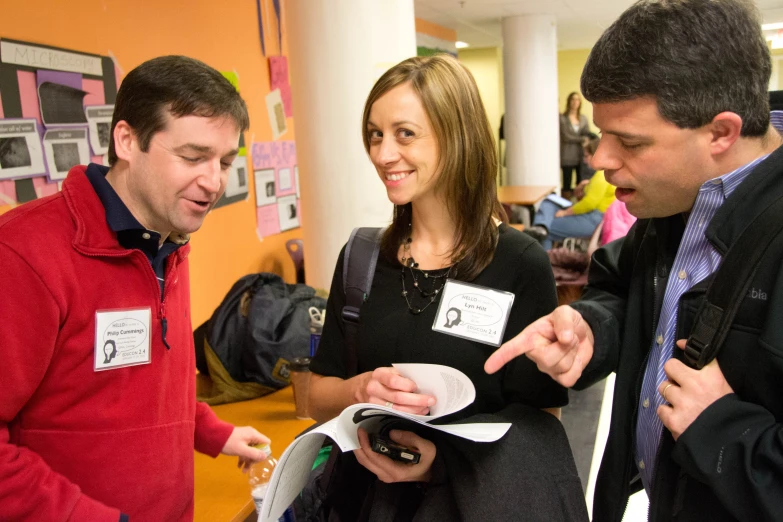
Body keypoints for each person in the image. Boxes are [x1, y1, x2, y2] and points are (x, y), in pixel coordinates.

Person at [485, 0, 783, 520]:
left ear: (721, 132)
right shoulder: (675, 194)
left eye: (629, 141)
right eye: (603, 134)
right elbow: (625, 288)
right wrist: (593, 330)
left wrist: (721, 428)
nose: (600, 160)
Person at [308, 54, 583, 520]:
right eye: (375, 134)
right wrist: (360, 390)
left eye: (405, 134)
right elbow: (317, 393)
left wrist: (443, 466)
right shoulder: (362, 258)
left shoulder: (519, 263)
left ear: (457, 137)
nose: (382, 154)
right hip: (368, 504)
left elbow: (541, 424)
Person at [0, 56, 271, 521]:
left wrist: (209, 431)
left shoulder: (169, 238)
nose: (214, 182)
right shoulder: (22, 254)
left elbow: (140, 383)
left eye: (225, 161)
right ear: (126, 140)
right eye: (192, 157)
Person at [526, 136, 615, 249]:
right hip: (592, 216)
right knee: (549, 201)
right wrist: (581, 187)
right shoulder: (599, 176)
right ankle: (541, 226)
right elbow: (584, 199)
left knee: (548, 230)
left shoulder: (601, 177)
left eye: (587, 156)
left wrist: (565, 213)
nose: (584, 160)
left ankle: (543, 232)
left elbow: (589, 204)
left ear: (596, 155)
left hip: (594, 219)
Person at [559, 92, 591, 198]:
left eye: (577, 99)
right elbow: (566, 137)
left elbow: (587, 133)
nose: (575, 102)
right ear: (569, 101)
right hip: (567, 155)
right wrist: (582, 139)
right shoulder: (562, 118)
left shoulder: (583, 118)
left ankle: (578, 207)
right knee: (566, 183)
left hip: (581, 155)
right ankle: (566, 206)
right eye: (573, 99)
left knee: (580, 182)